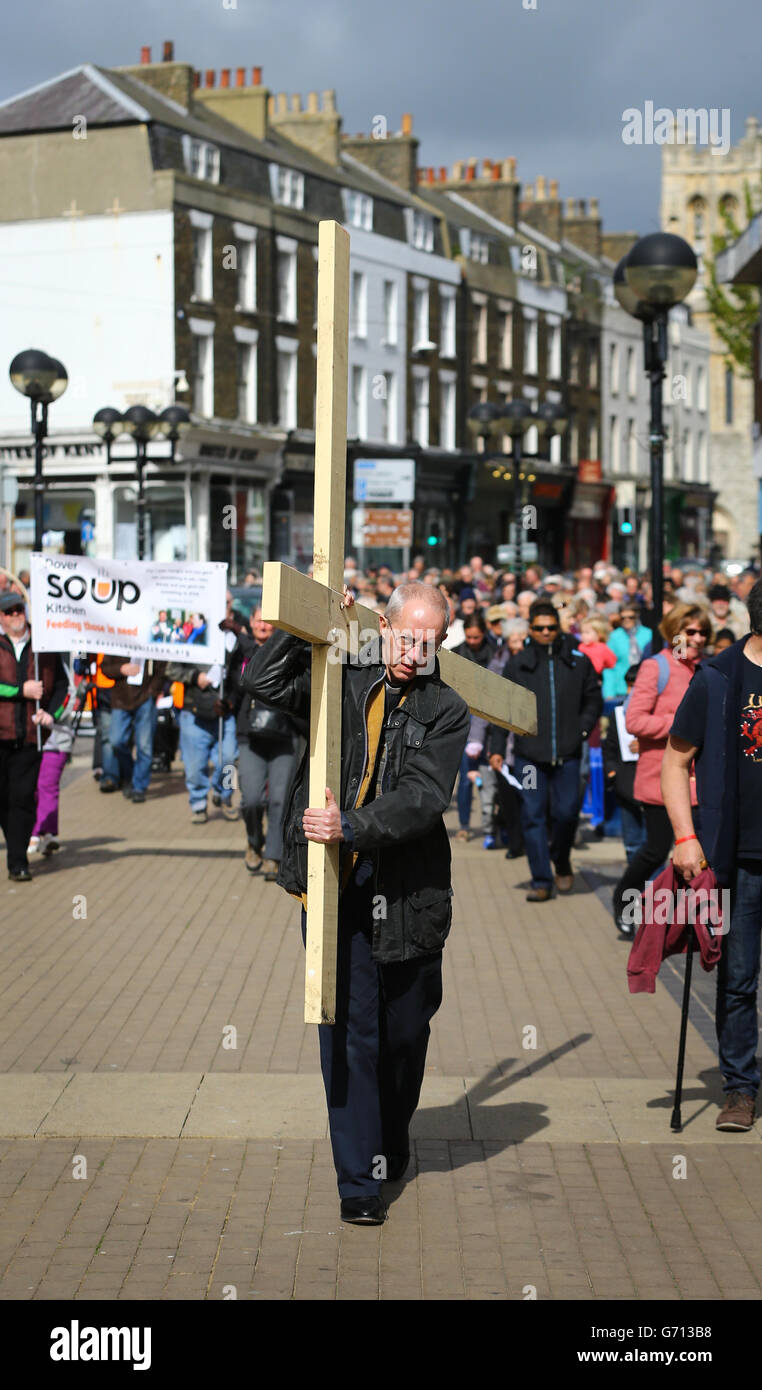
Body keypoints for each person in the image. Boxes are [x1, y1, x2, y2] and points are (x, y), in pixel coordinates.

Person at [242, 581, 469, 1224]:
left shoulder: (447, 708)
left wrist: (355, 826)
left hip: (409, 892)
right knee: (347, 1034)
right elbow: (263, 683)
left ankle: (388, 1140)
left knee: (404, 1033)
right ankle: (358, 1182)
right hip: (335, 884)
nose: (413, 652)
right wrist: (307, 624)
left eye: (428, 642)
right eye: (404, 636)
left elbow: (425, 797)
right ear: (382, 626)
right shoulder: (338, 672)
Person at [662, 580, 762, 1131]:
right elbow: (676, 762)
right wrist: (685, 836)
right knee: (740, 977)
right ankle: (741, 1088)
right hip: (738, 855)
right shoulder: (719, 678)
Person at [486, 599, 602, 901]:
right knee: (533, 815)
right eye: (540, 628)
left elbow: (593, 699)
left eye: (552, 627)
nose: (546, 632)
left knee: (566, 814)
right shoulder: (518, 663)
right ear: (531, 630)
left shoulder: (578, 661)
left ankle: (561, 861)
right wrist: (497, 747)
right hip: (529, 757)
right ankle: (541, 879)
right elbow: (504, 709)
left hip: (568, 753)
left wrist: (582, 730)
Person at [611, 603, 711, 935]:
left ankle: (690, 919)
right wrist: (679, 725)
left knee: (698, 853)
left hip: (700, 782)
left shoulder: (705, 669)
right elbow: (633, 719)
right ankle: (624, 903)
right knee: (655, 850)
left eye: (702, 632)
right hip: (662, 779)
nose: (697, 638)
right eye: (690, 631)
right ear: (673, 631)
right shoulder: (657, 666)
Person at [227, 607, 303, 878]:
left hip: (283, 735)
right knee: (251, 800)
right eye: (258, 619)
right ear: (250, 623)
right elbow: (233, 685)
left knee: (280, 800)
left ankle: (273, 855)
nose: (262, 624)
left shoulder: (286, 649)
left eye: (268, 620)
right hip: (250, 736)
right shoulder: (241, 652)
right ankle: (254, 842)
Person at [0, 592, 67, 880]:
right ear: (1, 617)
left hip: (30, 736)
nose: (15, 615)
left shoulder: (44, 644)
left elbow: (63, 687)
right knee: (4, 799)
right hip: (0, 735)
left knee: (24, 798)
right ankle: (15, 850)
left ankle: (18, 862)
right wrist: (20, 691)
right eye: (8, 612)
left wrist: (51, 714)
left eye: (18, 610)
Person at [167, 594, 241, 824]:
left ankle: (226, 796)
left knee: (228, 760)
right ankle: (198, 803)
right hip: (195, 712)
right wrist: (194, 676)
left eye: (229, 602)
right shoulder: (192, 635)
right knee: (194, 766)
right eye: (222, 601)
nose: (226, 606)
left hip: (224, 712)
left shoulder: (237, 634)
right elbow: (171, 669)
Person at [100, 655, 168, 802]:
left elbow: (162, 666)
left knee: (144, 746)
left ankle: (139, 786)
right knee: (116, 741)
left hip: (145, 699)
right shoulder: (117, 637)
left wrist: (153, 691)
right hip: (120, 698)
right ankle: (130, 774)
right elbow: (104, 668)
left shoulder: (150, 639)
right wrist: (121, 669)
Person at [453, 612, 495, 843]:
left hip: (492, 722)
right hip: (467, 719)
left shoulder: (496, 653)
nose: (473, 641)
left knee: (493, 778)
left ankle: (494, 825)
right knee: (466, 777)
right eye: (469, 637)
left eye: (477, 637)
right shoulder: (458, 653)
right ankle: (464, 824)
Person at [602, 664, 647, 864]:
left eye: (635, 686)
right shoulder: (618, 714)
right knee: (632, 842)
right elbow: (609, 747)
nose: (630, 692)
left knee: (653, 843)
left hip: (653, 785)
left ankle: (655, 889)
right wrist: (613, 772)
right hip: (626, 783)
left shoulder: (661, 715)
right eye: (628, 686)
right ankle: (637, 887)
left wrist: (646, 745)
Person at [603, 605, 651, 704]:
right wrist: (608, 693)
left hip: (645, 686)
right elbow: (609, 667)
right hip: (621, 689)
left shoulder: (648, 634)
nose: (627, 620)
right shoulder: (614, 637)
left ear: (637, 617)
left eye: (631, 617)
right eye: (623, 618)